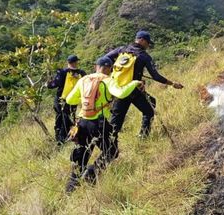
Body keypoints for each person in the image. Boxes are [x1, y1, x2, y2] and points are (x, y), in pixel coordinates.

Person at [64, 57, 143, 193]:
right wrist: (135, 82)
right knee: (112, 151)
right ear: (109, 69)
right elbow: (121, 93)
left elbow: (70, 99)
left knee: (81, 156)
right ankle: (92, 172)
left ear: (96, 66)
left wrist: (82, 100)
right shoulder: (107, 80)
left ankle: (70, 189)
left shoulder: (83, 79)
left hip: (82, 123)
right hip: (99, 123)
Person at [105, 30, 183, 139]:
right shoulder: (144, 56)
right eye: (147, 42)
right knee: (149, 110)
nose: (148, 45)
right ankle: (143, 136)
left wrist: (114, 67)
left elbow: (105, 58)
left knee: (116, 121)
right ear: (141, 40)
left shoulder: (121, 49)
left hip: (119, 90)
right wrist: (172, 83)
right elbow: (155, 76)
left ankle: (109, 145)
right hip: (133, 90)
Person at [47, 55, 86, 144]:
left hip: (61, 100)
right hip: (74, 100)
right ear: (76, 62)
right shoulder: (81, 73)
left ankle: (60, 139)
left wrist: (48, 84)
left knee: (60, 119)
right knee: (70, 117)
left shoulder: (62, 72)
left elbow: (54, 84)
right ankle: (70, 136)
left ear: (68, 63)